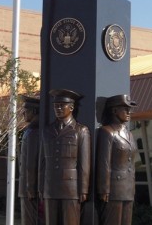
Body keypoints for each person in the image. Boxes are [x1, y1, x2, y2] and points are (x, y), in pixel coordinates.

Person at [39, 89, 91, 225]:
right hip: (50, 187)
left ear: (71, 107)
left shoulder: (81, 131)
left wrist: (83, 189)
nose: (58, 108)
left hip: (71, 187)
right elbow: (42, 161)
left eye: (62, 105)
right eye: (56, 106)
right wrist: (41, 187)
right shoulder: (47, 130)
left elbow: (84, 163)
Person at [96, 94, 137, 225]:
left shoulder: (129, 134)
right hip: (114, 188)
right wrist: (104, 189)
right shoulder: (107, 132)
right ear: (114, 111)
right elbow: (104, 163)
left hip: (128, 188)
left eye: (130, 109)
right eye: (125, 109)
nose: (129, 112)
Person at [18, 95, 43, 225]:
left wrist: (30, 188)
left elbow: (31, 164)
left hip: (31, 190)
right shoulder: (32, 130)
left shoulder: (34, 132)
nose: (23, 113)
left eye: (25, 110)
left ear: (34, 111)